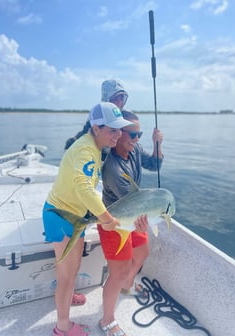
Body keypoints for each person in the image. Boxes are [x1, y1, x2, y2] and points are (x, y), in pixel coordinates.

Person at [42, 102, 135, 336]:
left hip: (75, 215)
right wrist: (106, 218)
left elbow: (86, 189)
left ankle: (67, 293)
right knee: (66, 274)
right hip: (63, 216)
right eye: (112, 130)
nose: (119, 135)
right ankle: (62, 327)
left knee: (72, 269)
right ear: (95, 128)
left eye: (120, 129)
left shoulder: (93, 146)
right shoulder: (85, 150)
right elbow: (84, 189)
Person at [98, 109, 164, 336]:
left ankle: (127, 285)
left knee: (143, 252)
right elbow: (131, 205)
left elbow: (154, 165)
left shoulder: (134, 149)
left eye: (140, 134)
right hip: (114, 222)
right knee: (117, 272)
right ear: (118, 134)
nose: (137, 139)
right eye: (132, 134)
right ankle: (107, 320)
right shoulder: (112, 169)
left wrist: (157, 145)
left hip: (136, 216)